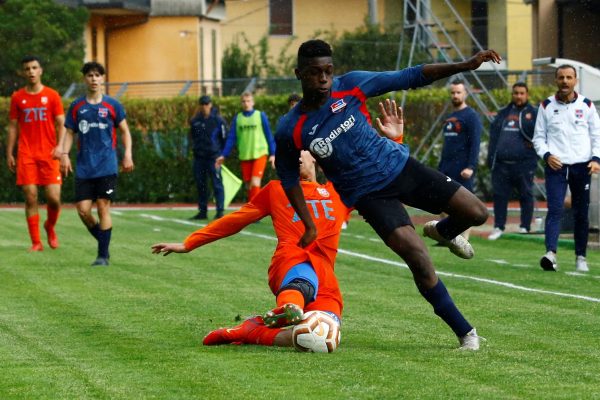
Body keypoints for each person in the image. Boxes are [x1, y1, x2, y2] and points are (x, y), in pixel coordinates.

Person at [275, 39, 501, 350]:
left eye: (328, 71)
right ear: (299, 73)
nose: (324, 79)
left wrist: (465, 64)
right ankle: (466, 333)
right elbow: (287, 177)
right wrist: (309, 224)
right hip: (369, 196)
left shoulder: (350, 85)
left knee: (477, 213)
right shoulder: (291, 128)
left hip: (400, 166)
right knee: (418, 258)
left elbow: (409, 76)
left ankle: (443, 230)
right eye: (315, 73)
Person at [151, 149, 352, 349]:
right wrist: (190, 243)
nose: (294, 155)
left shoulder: (339, 192)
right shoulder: (276, 190)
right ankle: (289, 307)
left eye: (300, 149)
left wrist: (385, 141)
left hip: (326, 279)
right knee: (304, 280)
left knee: (319, 337)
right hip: (292, 262)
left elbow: (378, 185)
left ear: (315, 155)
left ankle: (252, 331)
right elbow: (236, 219)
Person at [59, 62, 134, 266]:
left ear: (102, 79)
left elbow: (125, 131)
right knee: (83, 210)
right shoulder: (77, 106)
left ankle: (102, 256)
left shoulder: (113, 105)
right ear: (85, 79)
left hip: (107, 165)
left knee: (102, 207)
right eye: (90, 75)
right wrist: (64, 154)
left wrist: (128, 155)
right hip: (84, 167)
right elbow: (69, 133)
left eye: (97, 75)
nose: (93, 79)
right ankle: (104, 243)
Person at [533, 64, 600, 272]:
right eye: (561, 77)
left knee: (581, 212)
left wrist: (596, 159)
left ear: (575, 81)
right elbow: (538, 138)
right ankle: (550, 254)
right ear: (556, 80)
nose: (565, 81)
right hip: (556, 166)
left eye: (569, 77)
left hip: (582, 166)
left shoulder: (587, 105)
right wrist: (547, 155)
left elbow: (596, 135)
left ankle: (581, 256)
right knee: (555, 209)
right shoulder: (545, 106)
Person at [6, 55, 66, 252]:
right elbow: (13, 127)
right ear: (23, 73)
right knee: (31, 197)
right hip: (27, 154)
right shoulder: (17, 97)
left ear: (41, 71)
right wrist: (10, 152)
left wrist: (61, 149)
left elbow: (62, 124)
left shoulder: (52, 95)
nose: (31, 71)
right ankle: (36, 242)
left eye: (34, 68)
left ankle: (50, 226)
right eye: (27, 69)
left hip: (50, 154)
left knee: (54, 199)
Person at [487, 82, 538, 240]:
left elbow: (541, 135)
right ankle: (498, 227)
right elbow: (493, 137)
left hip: (524, 164)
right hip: (502, 164)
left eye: (522, 93)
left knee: (526, 195)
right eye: (516, 93)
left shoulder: (534, 113)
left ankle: (524, 227)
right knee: (500, 196)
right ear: (512, 94)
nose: (519, 96)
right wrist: (491, 159)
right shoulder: (503, 113)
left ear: (527, 94)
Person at [216, 91, 276, 201]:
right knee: (248, 185)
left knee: (255, 182)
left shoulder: (260, 115)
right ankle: (252, 208)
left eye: (248, 101)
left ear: (252, 102)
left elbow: (269, 135)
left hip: (260, 153)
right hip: (245, 155)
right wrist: (224, 155)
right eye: (243, 101)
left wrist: (273, 153)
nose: (246, 103)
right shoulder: (238, 118)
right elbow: (231, 138)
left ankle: (254, 210)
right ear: (241, 103)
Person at [439, 80, 483, 193]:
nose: (455, 95)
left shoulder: (471, 116)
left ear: (465, 94)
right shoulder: (450, 116)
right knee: (445, 204)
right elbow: (447, 143)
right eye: (453, 93)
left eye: (458, 92)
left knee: (463, 206)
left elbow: (475, 143)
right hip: (446, 168)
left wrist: (470, 167)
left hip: (462, 170)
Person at [188, 95, 227, 220]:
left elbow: (224, 138)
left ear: (210, 104)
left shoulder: (218, 120)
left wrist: (222, 155)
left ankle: (220, 211)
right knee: (201, 184)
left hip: (213, 157)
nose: (204, 106)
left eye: (206, 104)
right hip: (199, 157)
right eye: (202, 104)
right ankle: (202, 211)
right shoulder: (195, 121)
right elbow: (192, 137)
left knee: (217, 184)